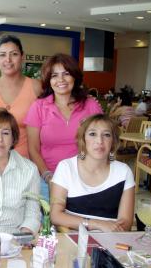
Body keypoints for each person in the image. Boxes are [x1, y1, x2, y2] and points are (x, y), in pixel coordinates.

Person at [25, 53, 102, 201]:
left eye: (66, 74)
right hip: (48, 179)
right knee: (50, 222)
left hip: (85, 179)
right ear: (49, 80)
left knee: (80, 223)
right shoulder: (38, 107)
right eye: (54, 75)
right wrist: (48, 177)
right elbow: (33, 149)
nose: (60, 80)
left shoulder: (91, 106)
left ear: (74, 77)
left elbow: (101, 143)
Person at [50, 114, 135, 232]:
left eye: (106, 135)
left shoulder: (123, 172)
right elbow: (56, 216)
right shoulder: (66, 167)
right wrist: (96, 224)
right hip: (74, 238)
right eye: (92, 134)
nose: (99, 141)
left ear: (113, 142)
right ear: (83, 139)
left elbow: (126, 223)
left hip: (109, 239)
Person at [0, 34, 42, 159]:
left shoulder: (36, 87)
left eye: (14, 54)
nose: (8, 60)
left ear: (22, 57)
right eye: (2, 55)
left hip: (27, 162)